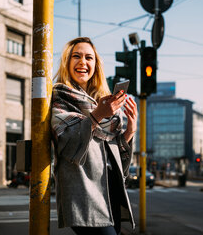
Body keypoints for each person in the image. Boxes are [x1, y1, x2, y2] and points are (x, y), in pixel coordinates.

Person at [51, 37, 138, 235]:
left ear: (95, 65)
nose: (83, 62)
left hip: (110, 192)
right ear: (67, 62)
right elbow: (67, 144)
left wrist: (130, 130)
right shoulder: (59, 97)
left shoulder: (101, 103)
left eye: (89, 58)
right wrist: (98, 115)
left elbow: (115, 161)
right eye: (76, 56)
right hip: (83, 193)